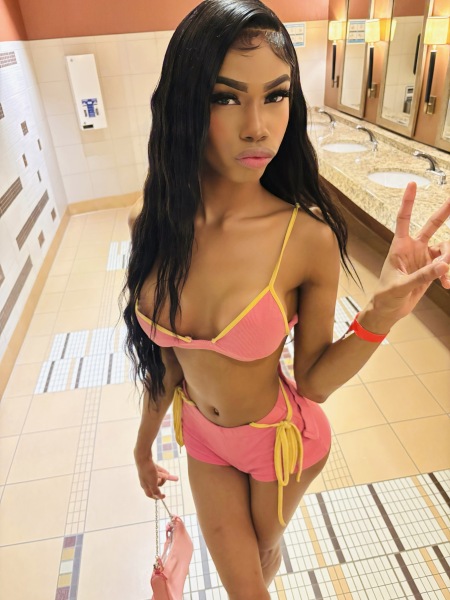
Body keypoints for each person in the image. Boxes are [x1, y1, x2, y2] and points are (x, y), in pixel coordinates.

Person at [122, 1, 450, 598]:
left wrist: (380, 316)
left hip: (281, 445)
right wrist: (143, 447)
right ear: (184, 104)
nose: (258, 126)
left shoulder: (306, 238)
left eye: (275, 95)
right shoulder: (153, 225)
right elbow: (167, 363)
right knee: (246, 581)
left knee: (259, 562)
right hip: (202, 438)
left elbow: (315, 382)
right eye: (226, 97)